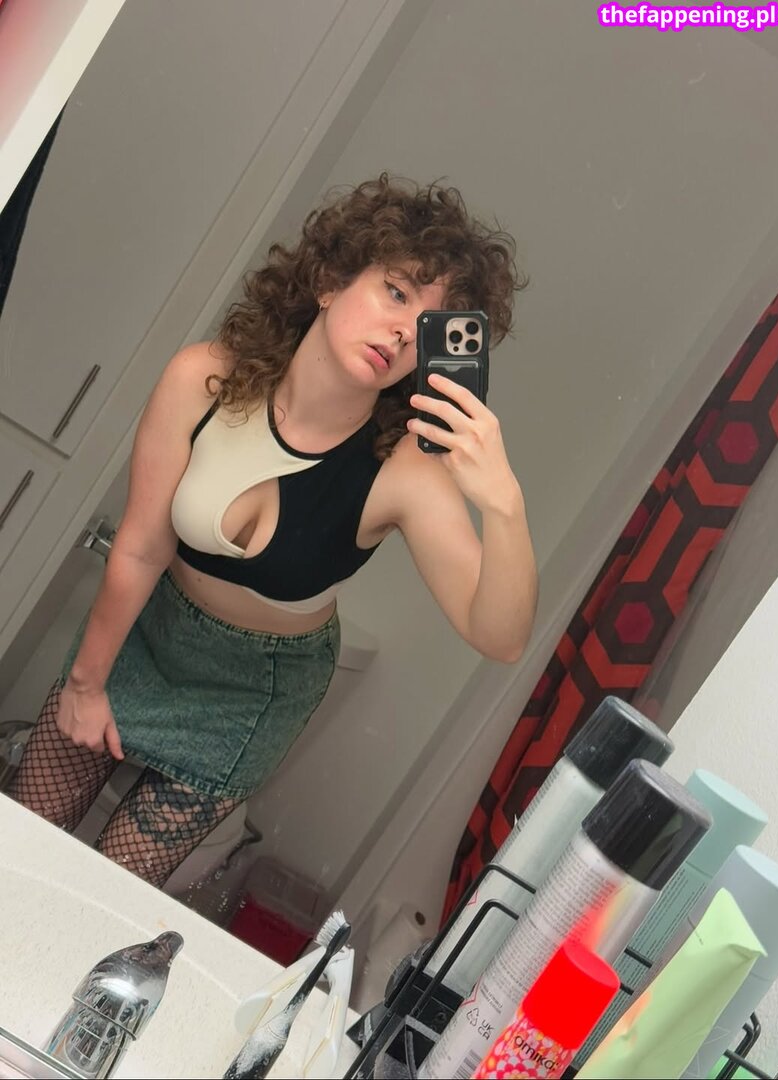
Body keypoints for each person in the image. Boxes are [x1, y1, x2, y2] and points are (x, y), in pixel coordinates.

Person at [9, 174, 538, 888]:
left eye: (428, 328)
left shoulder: (406, 471)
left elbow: (500, 638)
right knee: (19, 847)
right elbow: (140, 546)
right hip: (145, 631)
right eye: (396, 292)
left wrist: (503, 502)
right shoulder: (204, 379)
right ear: (329, 281)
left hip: (252, 694)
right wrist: (85, 681)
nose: (401, 332)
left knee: (101, 897)